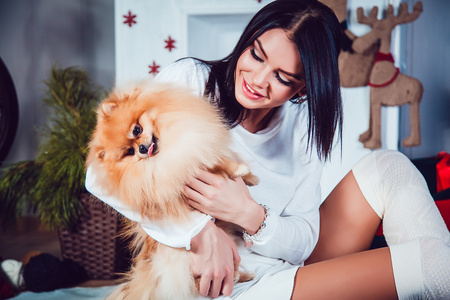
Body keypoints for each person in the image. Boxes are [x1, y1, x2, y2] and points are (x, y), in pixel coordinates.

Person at [85, 0, 450, 299]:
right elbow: (98, 178)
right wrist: (198, 229)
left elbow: (305, 240)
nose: (258, 81)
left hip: (287, 266)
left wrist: (249, 214)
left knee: (389, 165)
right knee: (435, 263)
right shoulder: (190, 82)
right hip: (233, 285)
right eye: (257, 55)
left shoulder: (302, 127)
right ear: (248, 39)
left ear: (302, 89)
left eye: (282, 77)